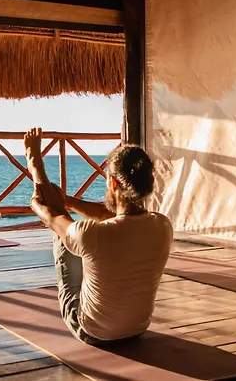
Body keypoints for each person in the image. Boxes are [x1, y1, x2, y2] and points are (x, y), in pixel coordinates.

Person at [24, 127, 173, 345]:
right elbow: (113, 216)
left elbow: (52, 217)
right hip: (137, 328)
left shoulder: (92, 235)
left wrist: (35, 174)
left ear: (113, 183)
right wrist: (69, 200)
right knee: (81, 240)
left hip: (93, 332)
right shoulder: (163, 226)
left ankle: (36, 166)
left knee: (63, 236)